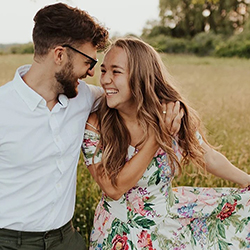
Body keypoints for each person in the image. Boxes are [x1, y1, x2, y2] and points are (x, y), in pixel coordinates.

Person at [0, 4, 182, 250]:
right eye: (88, 61)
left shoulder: (85, 97)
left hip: (66, 240)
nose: (93, 72)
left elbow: (130, 94)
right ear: (60, 55)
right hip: (10, 242)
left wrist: (169, 107)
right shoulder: (3, 108)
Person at [82, 37, 250, 249]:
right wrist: (157, 136)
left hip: (168, 231)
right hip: (115, 235)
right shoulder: (96, 124)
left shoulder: (170, 115)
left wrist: (247, 180)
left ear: (140, 76)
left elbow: (208, 157)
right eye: (104, 70)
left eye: (115, 72)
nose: (105, 79)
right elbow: (113, 188)